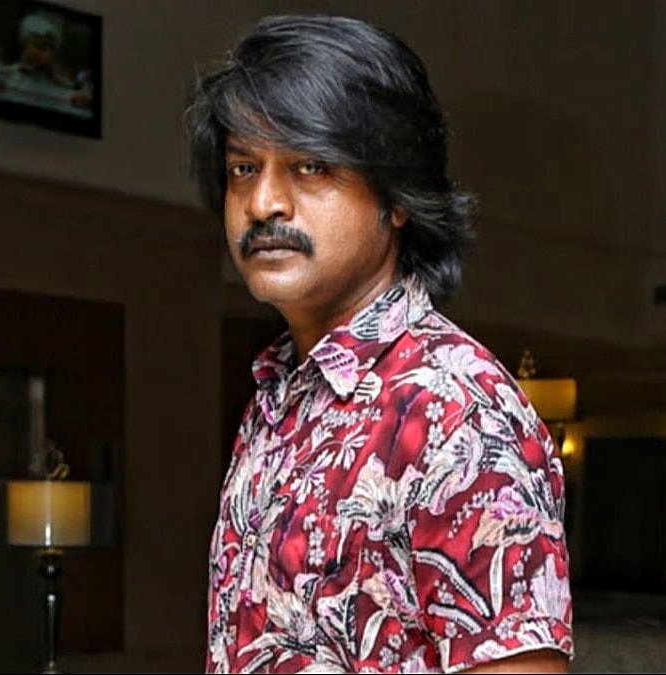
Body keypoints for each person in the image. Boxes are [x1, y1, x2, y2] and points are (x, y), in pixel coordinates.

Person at [185, 14, 573, 674]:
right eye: (243, 168)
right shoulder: (277, 401)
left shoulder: (458, 413)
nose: (264, 202)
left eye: (310, 166)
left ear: (397, 198)